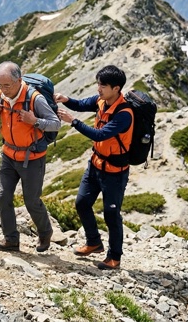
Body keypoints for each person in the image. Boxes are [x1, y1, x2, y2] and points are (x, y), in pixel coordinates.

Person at [55, 65, 133, 271]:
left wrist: (73, 122)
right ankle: (94, 243)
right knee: (82, 203)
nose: (98, 88)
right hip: (96, 163)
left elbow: (99, 135)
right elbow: (81, 104)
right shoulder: (102, 100)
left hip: (115, 171)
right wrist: (66, 99)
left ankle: (114, 257)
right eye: (98, 83)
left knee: (110, 213)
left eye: (103, 85)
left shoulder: (124, 114)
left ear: (116, 88)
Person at [0, 62, 60, 253]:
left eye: (7, 85)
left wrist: (35, 121)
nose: (3, 90)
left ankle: (45, 232)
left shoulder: (35, 99)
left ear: (19, 81)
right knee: (2, 196)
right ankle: (11, 240)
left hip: (32, 158)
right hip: (8, 155)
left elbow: (55, 124)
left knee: (31, 201)